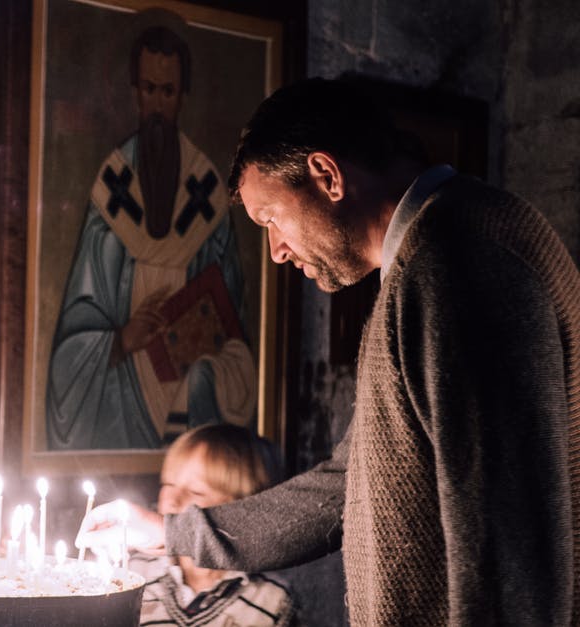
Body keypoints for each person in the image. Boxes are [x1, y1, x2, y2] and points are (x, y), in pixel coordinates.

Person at [78, 77, 580, 625]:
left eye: (272, 220)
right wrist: (172, 532)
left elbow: (512, 552)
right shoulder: (424, 264)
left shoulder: (456, 264)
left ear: (326, 176)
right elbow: (349, 483)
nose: (276, 251)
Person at [46, 24, 256, 450]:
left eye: (168, 91)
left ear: (183, 97)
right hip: (121, 400)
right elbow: (76, 323)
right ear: (134, 93)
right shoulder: (112, 187)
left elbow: (230, 312)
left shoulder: (208, 193)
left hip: (189, 392)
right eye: (149, 89)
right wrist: (122, 340)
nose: (158, 105)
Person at [126, 423, 294, 626]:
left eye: (196, 491)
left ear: (242, 510)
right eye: (168, 484)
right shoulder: (134, 575)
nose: (172, 499)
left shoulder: (271, 601)